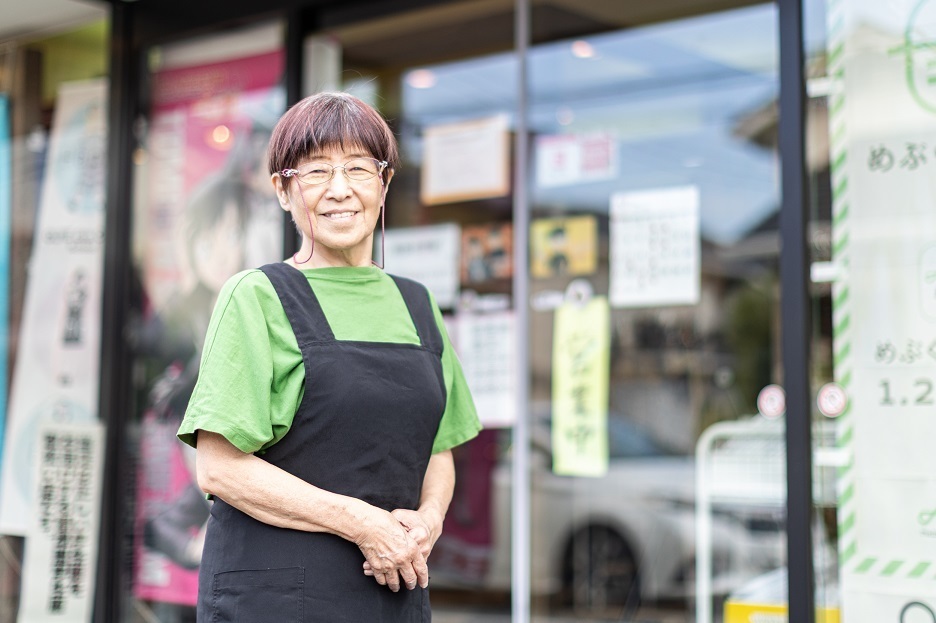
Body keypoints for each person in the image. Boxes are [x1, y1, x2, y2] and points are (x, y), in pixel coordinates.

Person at [177, 91, 481, 622]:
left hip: (394, 590)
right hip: (274, 597)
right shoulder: (257, 295)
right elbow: (219, 467)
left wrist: (427, 522)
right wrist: (362, 523)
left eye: (359, 168)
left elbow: (438, 450)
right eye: (316, 171)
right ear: (283, 190)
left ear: (384, 185)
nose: (339, 190)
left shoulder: (417, 303)